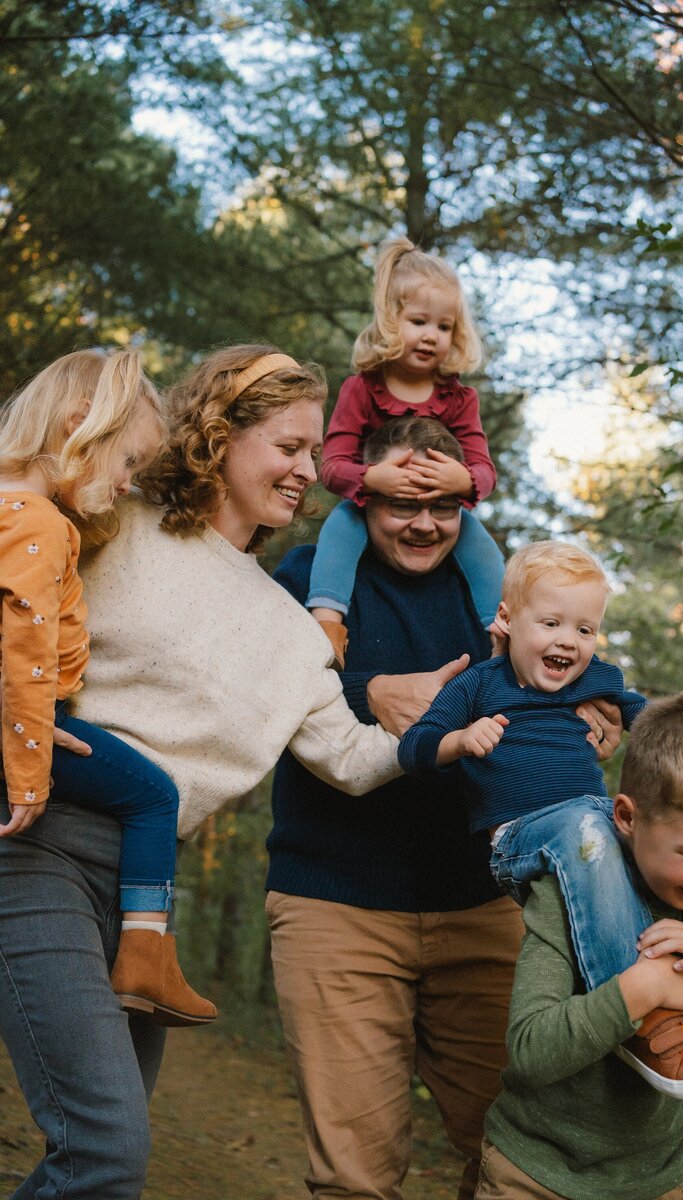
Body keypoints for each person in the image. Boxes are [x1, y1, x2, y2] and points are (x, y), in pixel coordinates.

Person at [0, 344, 401, 1200]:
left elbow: (359, 761)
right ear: (220, 436)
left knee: (107, 1152)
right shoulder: (118, 518)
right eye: (289, 447)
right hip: (38, 845)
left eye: (314, 451)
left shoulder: (294, 633)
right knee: (105, 1148)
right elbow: (16, 598)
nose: (309, 471)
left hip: (146, 892)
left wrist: (476, 703)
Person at [266, 416, 622, 1200]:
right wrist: (369, 693)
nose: (423, 522)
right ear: (364, 494)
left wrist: (603, 703)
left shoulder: (496, 596)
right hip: (336, 903)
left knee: (516, 1154)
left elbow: (569, 644)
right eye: (402, 502)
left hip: (488, 905)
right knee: (355, 1176)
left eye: (444, 506)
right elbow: (261, 695)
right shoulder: (303, 581)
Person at [399, 540, 683, 1098]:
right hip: (522, 839)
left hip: (595, 824)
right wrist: (460, 740)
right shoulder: (478, 685)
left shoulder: (595, 680)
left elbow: (651, 724)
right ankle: (638, 1007)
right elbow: (414, 747)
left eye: (585, 629)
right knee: (587, 821)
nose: (569, 642)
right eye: (552, 622)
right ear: (506, 619)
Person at [474, 693, 683, 1200]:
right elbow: (529, 1053)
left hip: (656, 1180)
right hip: (536, 1175)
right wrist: (635, 993)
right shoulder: (567, 892)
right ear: (626, 817)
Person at [0, 347, 215, 1026]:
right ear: (76, 425)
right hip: (32, 715)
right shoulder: (38, 522)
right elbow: (26, 647)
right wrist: (29, 765)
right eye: (126, 463)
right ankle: (144, 957)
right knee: (155, 794)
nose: (127, 485)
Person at [307, 236, 504, 667]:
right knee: (340, 528)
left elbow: (484, 469)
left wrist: (465, 481)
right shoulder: (362, 388)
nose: (432, 336)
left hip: (437, 502)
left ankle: (501, 635)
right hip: (373, 504)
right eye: (419, 322)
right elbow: (333, 465)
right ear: (391, 321)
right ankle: (325, 626)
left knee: (480, 543)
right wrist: (370, 479)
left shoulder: (459, 397)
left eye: (444, 326)